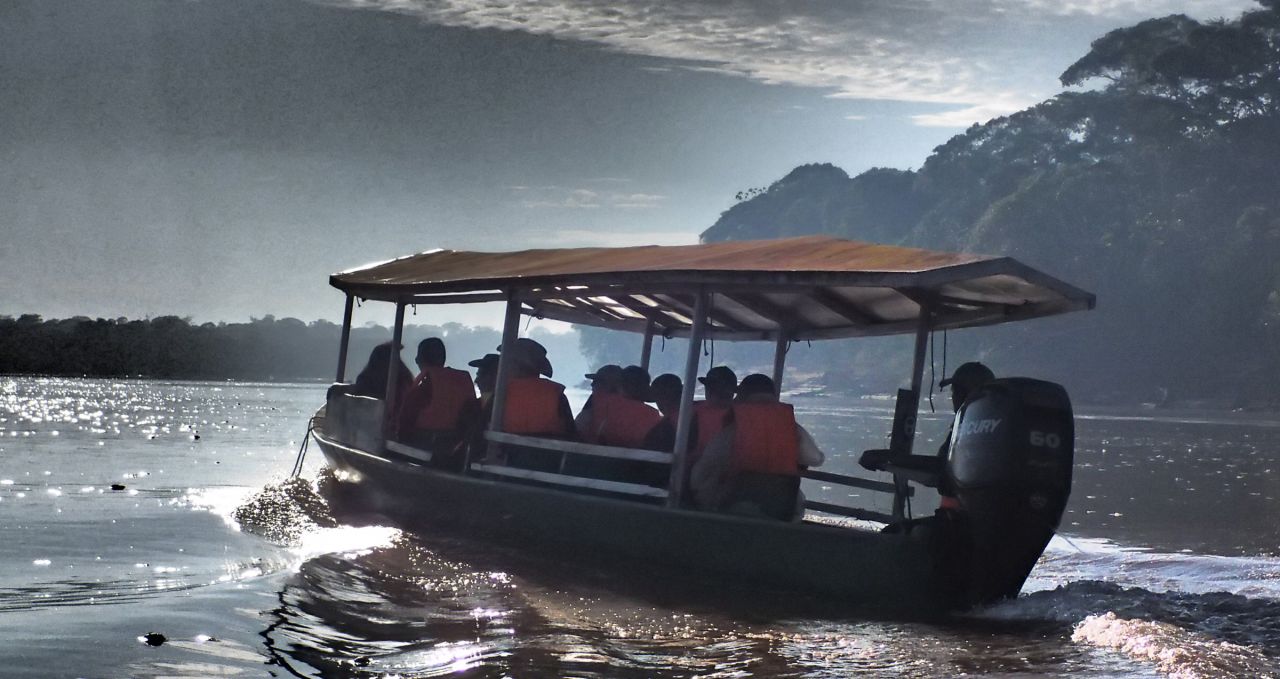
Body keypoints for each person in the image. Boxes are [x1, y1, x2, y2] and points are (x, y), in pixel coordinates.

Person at [859, 361, 994, 510]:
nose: (953, 397)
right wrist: (887, 461)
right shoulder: (982, 425)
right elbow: (939, 472)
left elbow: (941, 469)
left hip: (962, 522)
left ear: (968, 393)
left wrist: (887, 457)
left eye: (955, 391)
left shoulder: (976, 428)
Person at [689, 374, 824, 521]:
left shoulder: (734, 430)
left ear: (742, 396)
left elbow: (701, 473)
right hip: (784, 510)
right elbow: (815, 459)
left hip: (735, 508)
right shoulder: (792, 428)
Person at [493, 338, 576, 472]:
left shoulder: (502, 393)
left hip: (507, 465)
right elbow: (572, 433)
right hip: (550, 468)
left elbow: (481, 427)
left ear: (516, 365)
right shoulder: (557, 395)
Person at [395, 338, 478, 469]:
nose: (416, 360)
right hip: (457, 449)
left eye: (418, 356)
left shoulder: (422, 389)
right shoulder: (460, 383)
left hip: (426, 449)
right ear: (443, 359)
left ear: (420, 359)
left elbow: (404, 425)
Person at [579, 365, 661, 448]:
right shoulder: (654, 416)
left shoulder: (599, 407)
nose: (592, 384)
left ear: (617, 386)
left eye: (599, 381)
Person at [573, 364, 623, 433]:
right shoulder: (632, 413)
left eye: (597, 381)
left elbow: (574, 434)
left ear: (610, 386)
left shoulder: (589, 413)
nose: (592, 384)